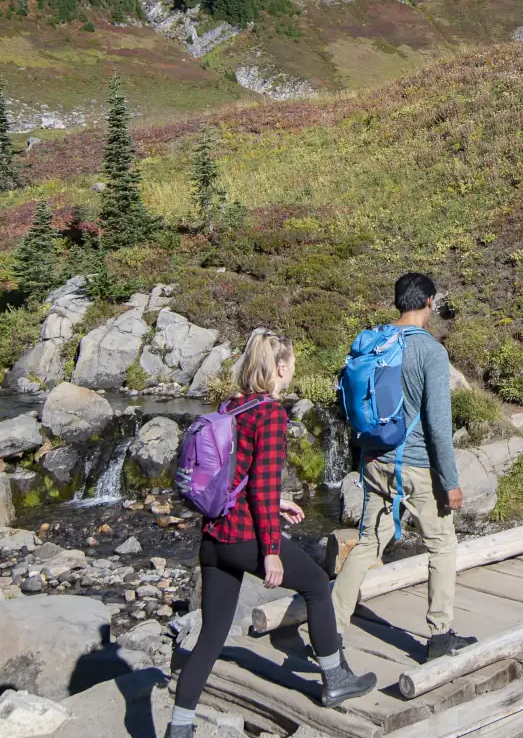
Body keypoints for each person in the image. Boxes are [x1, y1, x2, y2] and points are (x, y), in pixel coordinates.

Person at [168, 328, 374, 738]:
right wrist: (272, 550)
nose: (293, 369)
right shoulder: (271, 414)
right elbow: (261, 488)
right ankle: (335, 679)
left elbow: (237, 475)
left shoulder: (233, 406)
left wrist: (277, 501)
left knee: (211, 634)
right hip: (245, 537)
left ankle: (180, 726)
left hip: (214, 536)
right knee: (316, 584)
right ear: (280, 367)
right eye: (291, 363)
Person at [332, 273, 477, 662]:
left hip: (374, 460)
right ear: (429, 302)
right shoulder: (430, 352)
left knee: (367, 543)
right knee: (442, 546)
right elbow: (438, 426)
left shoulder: (374, 341)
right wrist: (450, 482)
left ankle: (331, 628)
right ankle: (440, 636)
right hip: (414, 467)